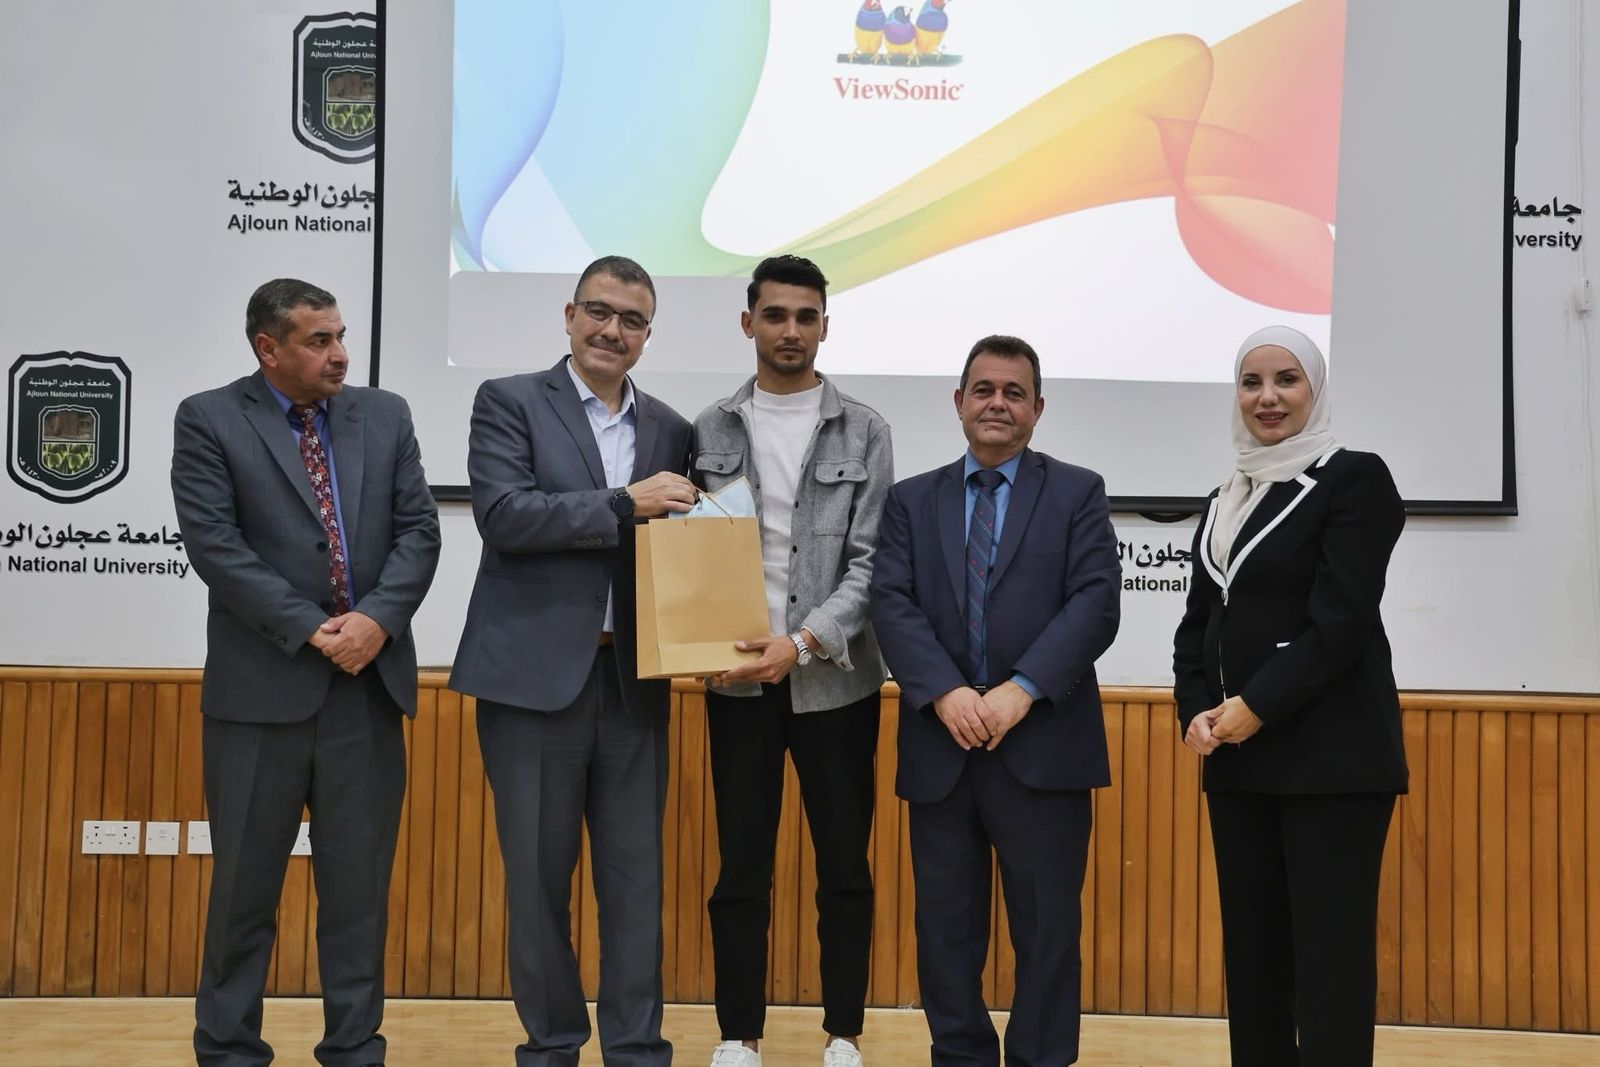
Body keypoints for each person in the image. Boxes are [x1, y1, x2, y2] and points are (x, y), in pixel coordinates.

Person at [171, 278, 441, 1066]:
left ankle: (355, 1049)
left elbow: (420, 532)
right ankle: (228, 1048)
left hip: (366, 694)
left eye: (341, 335)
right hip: (260, 698)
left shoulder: (384, 415)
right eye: (320, 340)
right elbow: (215, 546)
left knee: (357, 897)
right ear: (269, 348)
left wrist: (376, 620)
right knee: (243, 893)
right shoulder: (210, 418)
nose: (340, 354)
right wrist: (313, 629)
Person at [449, 255, 695, 1067]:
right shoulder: (510, 401)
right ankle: (552, 1044)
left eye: (631, 320)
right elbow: (505, 515)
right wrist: (625, 502)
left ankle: (636, 1049)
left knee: (636, 884)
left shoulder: (672, 430)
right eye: (599, 311)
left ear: (647, 336)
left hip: (632, 684)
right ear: (569, 314)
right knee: (536, 881)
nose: (611, 330)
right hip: (530, 683)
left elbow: (687, 552)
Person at [869, 335, 1120, 1067]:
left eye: (1015, 392)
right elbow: (891, 602)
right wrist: (947, 692)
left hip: (1043, 747)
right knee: (946, 932)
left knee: (1047, 931)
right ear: (959, 402)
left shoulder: (1077, 491)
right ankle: (960, 1056)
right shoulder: (911, 500)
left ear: (1038, 408)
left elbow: (1095, 603)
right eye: (984, 389)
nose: (998, 404)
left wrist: (1020, 691)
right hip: (942, 747)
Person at [1171, 325, 1407, 1067]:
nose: (1267, 397)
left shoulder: (1354, 479)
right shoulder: (1225, 495)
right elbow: (1199, 626)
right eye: (1252, 382)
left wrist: (1254, 706)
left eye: (1286, 380)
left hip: (1332, 764)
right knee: (1254, 959)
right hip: (1238, 762)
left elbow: (1339, 622)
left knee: (1329, 963)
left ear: (1315, 389)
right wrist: (1196, 709)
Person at [692, 255, 893, 1067]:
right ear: (749, 322)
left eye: (806, 316)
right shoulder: (708, 429)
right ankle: (738, 1034)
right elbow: (689, 554)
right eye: (775, 315)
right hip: (737, 681)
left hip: (834, 680)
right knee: (741, 865)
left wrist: (802, 641)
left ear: (824, 326)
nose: (790, 330)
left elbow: (871, 564)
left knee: (844, 863)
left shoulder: (865, 429)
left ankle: (842, 1033)